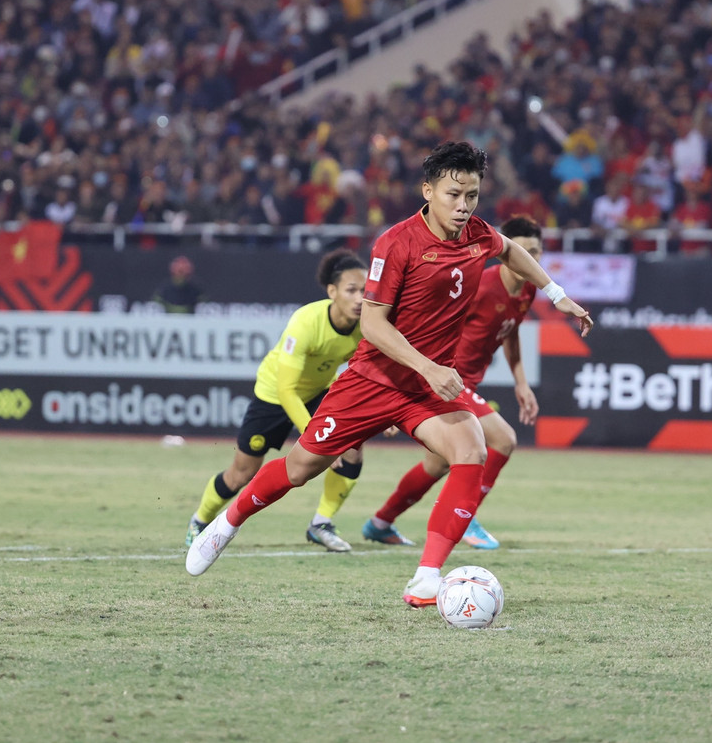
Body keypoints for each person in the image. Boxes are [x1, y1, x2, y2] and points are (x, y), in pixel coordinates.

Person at [186, 142, 593, 608]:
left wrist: (557, 293)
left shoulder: (478, 234)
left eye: (472, 196)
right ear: (428, 190)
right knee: (301, 468)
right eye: (453, 195)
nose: (463, 207)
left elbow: (510, 251)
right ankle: (227, 522)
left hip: (426, 387)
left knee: (473, 447)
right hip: (374, 380)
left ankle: (426, 577)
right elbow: (373, 324)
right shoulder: (396, 243)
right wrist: (428, 366)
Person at [361, 215, 545, 553]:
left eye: (535, 251)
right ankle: (468, 514)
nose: (528, 257)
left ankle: (380, 522)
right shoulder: (482, 286)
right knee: (503, 440)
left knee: (441, 462)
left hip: (467, 380)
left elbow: (511, 330)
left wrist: (521, 382)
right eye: (523, 249)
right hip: (445, 376)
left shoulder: (528, 289)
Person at [185, 249, 372, 552]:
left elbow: (370, 368)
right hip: (273, 396)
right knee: (241, 474)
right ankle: (200, 521)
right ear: (332, 291)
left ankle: (321, 523)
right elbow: (287, 390)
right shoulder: (306, 322)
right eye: (352, 290)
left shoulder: (367, 326)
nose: (360, 298)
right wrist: (316, 436)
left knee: (352, 448)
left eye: (365, 290)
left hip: (317, 394)